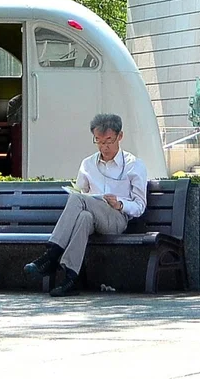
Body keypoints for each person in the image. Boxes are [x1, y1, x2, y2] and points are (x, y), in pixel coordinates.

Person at [22, 113, 148, 297]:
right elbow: (80, 192)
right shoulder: (88, 164)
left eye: (109, 141)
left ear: (120, 136)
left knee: (77, 199)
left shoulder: (133, 165)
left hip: (116, 219)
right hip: (92, 216)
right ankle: (71, 277)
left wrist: (120, 204)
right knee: (84, 217)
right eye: (98, 141)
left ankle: (51, 256)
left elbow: (140, 205)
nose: (104, 147)